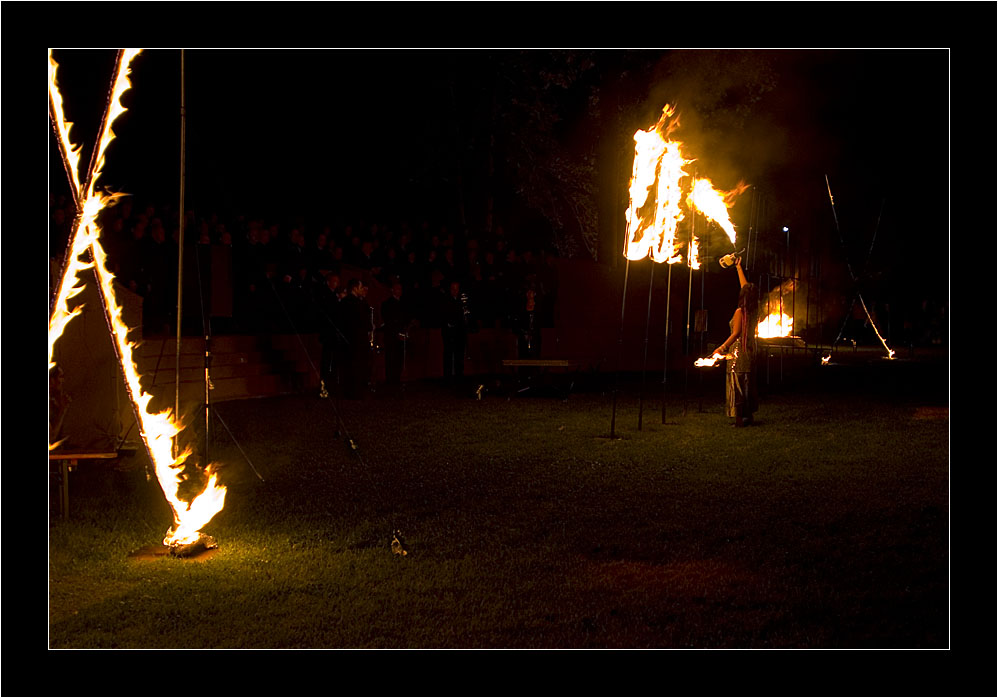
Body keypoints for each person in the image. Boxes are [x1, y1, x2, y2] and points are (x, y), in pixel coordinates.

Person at [716, 257, 759, 427]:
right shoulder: (753, 309)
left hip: (737, 351)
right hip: (749, 350)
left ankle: (739, 419)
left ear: (742, 296)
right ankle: (749, 416)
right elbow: (746, 288)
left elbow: (735, 333)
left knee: (737, 383)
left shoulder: (740, 311)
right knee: (748, 382)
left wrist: (721, 348)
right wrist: (739, 267)